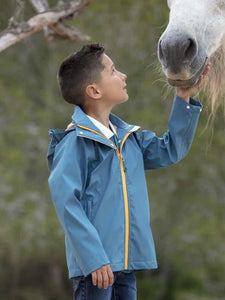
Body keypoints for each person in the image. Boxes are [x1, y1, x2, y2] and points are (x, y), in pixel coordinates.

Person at [47, 44, 210, 300]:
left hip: (125, 267)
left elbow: (170, 150)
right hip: (96, 270)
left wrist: (183, 98)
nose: (123, 76)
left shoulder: (128, 139)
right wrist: (94, 258)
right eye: (113, 71)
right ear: (94, 90)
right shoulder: (75, 142)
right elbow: (67, 202)